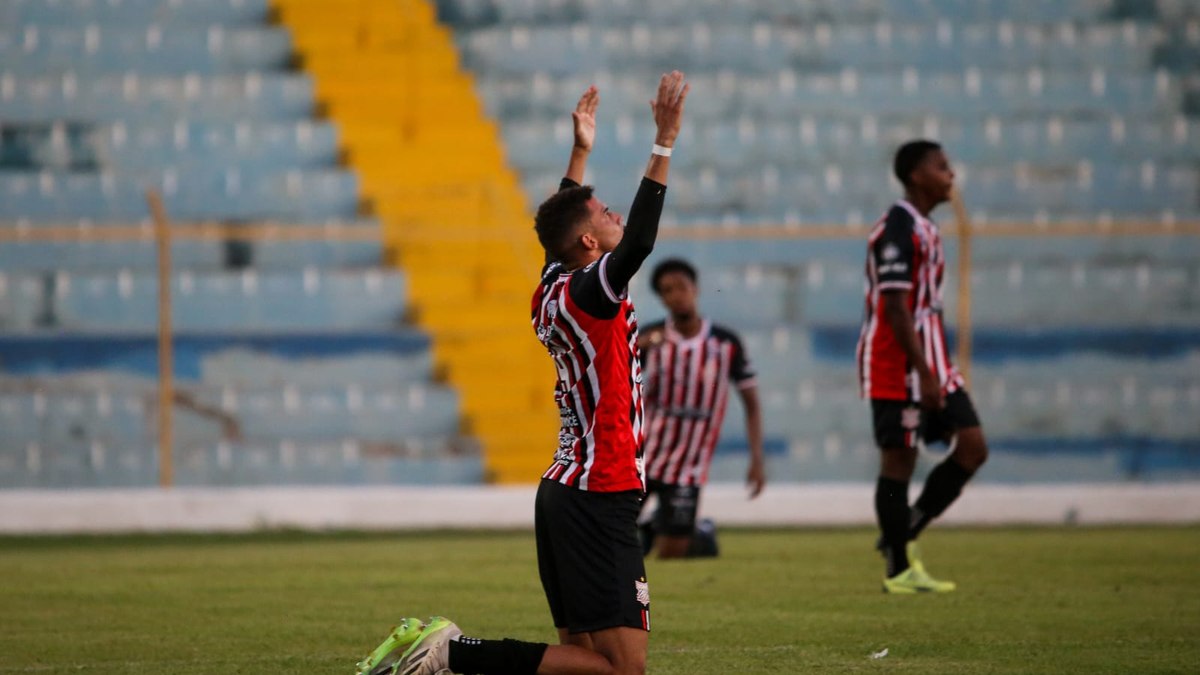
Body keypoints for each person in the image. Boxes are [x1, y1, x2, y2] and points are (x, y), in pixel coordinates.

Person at [355, 71, 689, 675]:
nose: (613, 213)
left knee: (581, 664)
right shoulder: (592, 293)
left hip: (564, 491)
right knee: (621, 671)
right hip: (598, 492)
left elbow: (558, 226)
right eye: (604, 212)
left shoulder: (553, 285)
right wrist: (662, 142)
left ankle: (450, 654)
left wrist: (580, 151)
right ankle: (450, 652)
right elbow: (637, 242)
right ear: (590, 241)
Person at [855, 139, 989, 594]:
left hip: (932, 362)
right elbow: (896, 307)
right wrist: (924, 373)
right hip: (897, 365)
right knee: (899, 459)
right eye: (942, 166)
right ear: (916, 175)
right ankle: (898, 569)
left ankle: (903, 531)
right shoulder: (898, 226)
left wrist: (938, 366)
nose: (951, 175)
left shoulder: (925, 228)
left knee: (972, 447)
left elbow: (926, 306)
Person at [636, 258, 766, 559]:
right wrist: (639, 347)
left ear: (694, 288)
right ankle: (653, 527)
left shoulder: (726, 343)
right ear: (661, 298)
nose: (676, 294)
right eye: (668, 290)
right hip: (641, 457)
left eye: (681, 286)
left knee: (671, 554)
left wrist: (757, 459)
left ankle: (697, 533)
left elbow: (752, 403)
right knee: (614, 540)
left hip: (687, 466)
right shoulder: (648, 338)